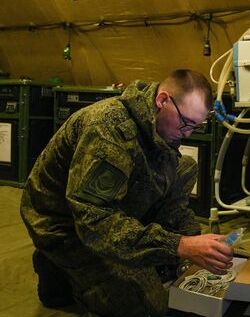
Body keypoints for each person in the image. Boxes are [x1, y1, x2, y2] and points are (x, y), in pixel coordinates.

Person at [20, 69, 234, 317]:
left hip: (105, 208)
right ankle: (56, 265)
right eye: (185, 122)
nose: (187, 133)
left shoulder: (158, 126)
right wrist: (179, 245)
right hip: (65, 222)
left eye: (195, 126)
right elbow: (94, 221)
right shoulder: (108, 130)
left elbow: (174, 203)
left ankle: (71, 270)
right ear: (162, 100)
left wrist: (196, 242)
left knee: (184, 167)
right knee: (147, 308)